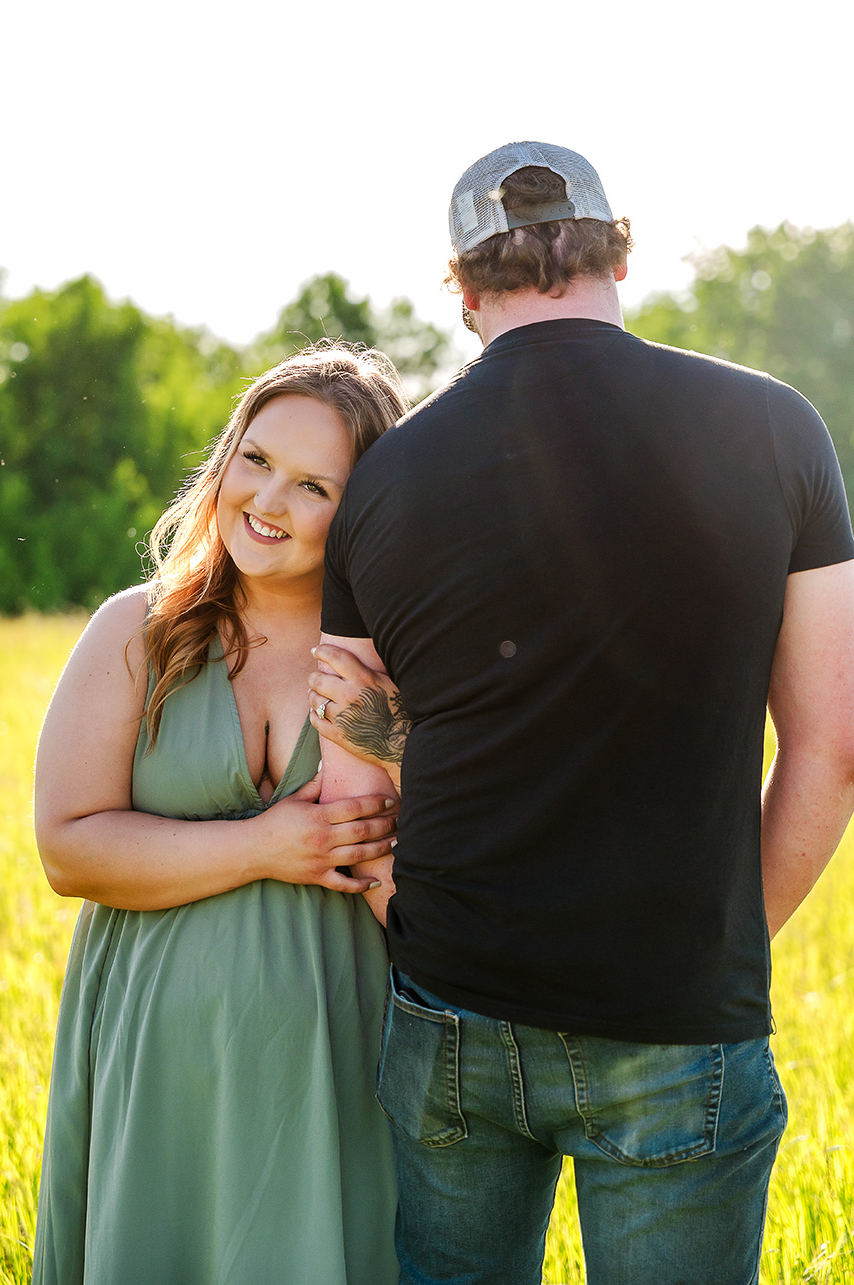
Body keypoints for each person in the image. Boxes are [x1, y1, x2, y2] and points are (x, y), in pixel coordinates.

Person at [310, 142, 854, 1285]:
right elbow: (833, 746)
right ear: (618, 255)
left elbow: (351, 786)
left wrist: (421, 913)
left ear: (461, 289)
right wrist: (715, 943)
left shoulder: (382, 481)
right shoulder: (773, 427)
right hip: (677, 1006)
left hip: (450, 1003)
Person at [31, 342, 409, 1285]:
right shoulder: (138, 630)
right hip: (158, 1059)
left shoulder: (395, 658)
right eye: (256, 459)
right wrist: (266, 845)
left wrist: (396, 739)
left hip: (342, 1060)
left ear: (363, 509)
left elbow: (444, 861)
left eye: (313, 486)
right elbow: (68, 849)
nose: (267, 500)